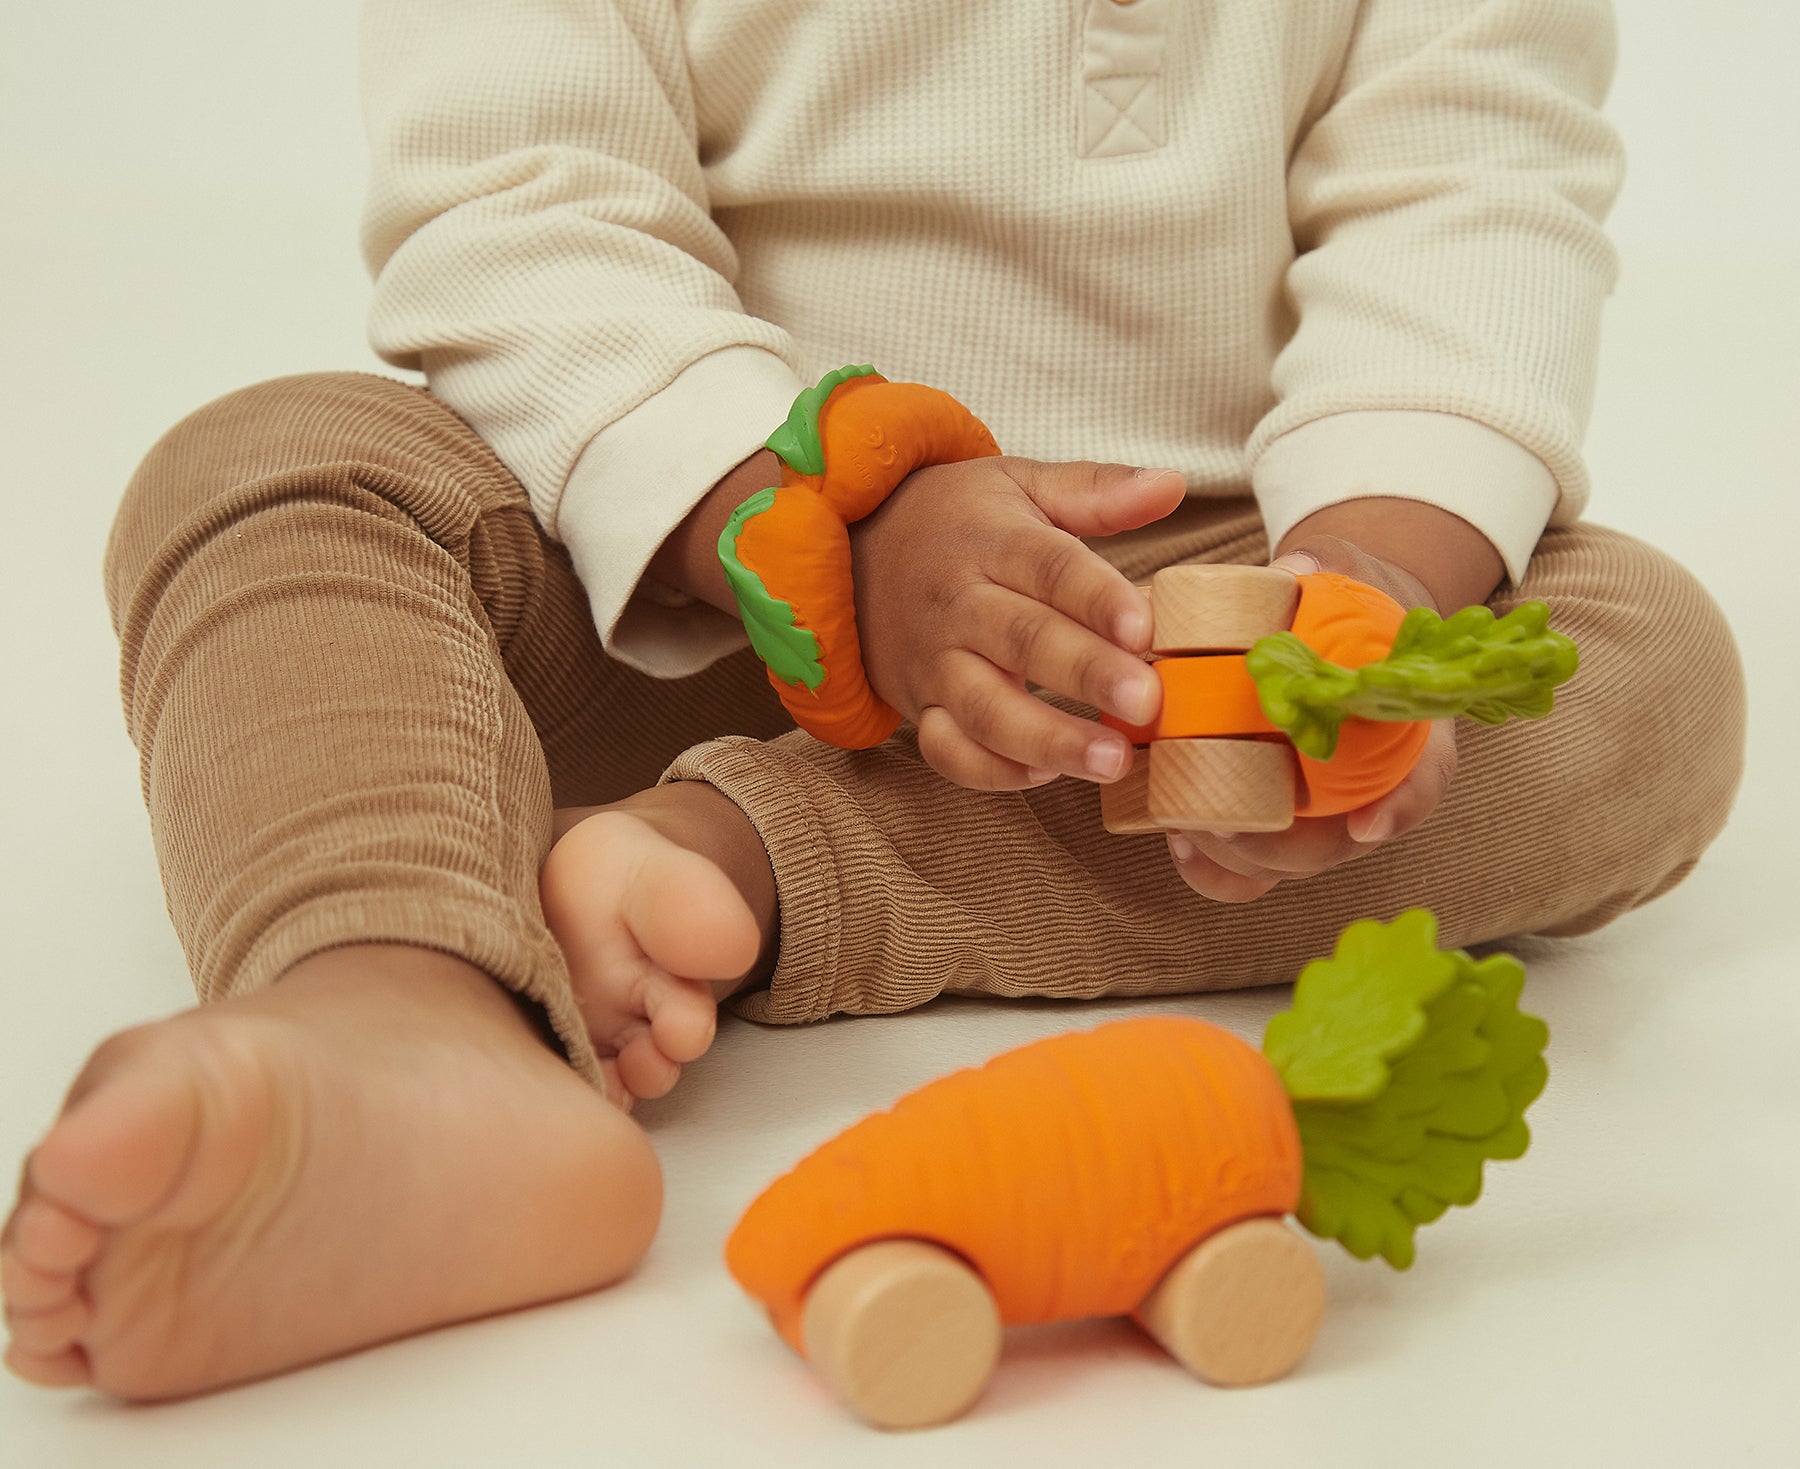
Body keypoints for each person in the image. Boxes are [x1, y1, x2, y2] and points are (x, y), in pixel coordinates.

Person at [1, 0, 1744, 1400]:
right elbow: (518, 196)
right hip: (678, 552)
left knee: (1643, 665)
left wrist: (1368, 597)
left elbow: (1473, 197)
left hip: (1176, 640)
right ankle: (396, 1010)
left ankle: (741, 866)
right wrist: (832, 508)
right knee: (275, 465)